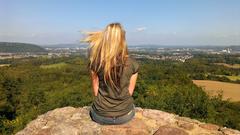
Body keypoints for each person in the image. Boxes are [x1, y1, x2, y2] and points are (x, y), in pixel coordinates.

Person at [83, 23, 139, 125]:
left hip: (100, 115)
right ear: (122, 40)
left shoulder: (95, 63)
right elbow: (129, 92)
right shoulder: (133, 64)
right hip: (124, 116)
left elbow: (96, 92)